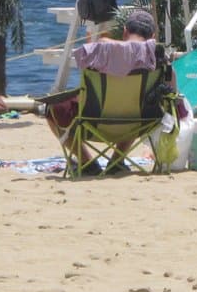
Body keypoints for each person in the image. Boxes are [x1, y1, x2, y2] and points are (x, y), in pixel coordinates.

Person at [46, 10, 173, 175]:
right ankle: (117, 161)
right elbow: (172, 92)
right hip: (139, 124)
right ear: (152, 36)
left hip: (91, 123)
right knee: (138, 103)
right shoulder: (157, 56)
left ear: (125, 30)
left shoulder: (101, 49)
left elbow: (82, 60)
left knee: (52, 109)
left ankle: (87, 163)